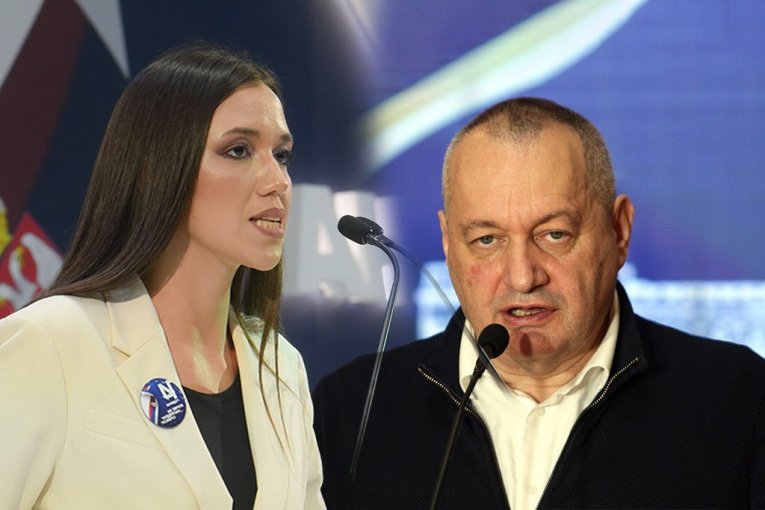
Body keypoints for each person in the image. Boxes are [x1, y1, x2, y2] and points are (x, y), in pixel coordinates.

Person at [312, 97, 765, 509]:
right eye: (487, 239)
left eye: (554, 235)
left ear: (619, 231)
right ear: (448, 244)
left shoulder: (740, 401)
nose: (523, 276)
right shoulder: (350, 409)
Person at [0, 43, 325, 509]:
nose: (278, 181)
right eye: (238, 150)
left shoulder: (281, 368)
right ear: (160, 168)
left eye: (282, 154)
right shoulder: (51, 341)